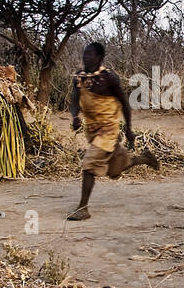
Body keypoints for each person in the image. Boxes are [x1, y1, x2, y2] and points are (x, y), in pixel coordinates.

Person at [67, 42, 159, 220]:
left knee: (89, 164)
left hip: (109, 129)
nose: (85, 57)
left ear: (99, 58)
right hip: (92, 130)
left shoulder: (109, 78)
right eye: (84, 53)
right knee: (113, 169)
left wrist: (129, 129)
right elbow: (74, 101)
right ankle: (143, 159)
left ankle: (82, 208)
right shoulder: (79, 77)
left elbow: (124, 103)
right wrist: (75, 116)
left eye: (90, 54)